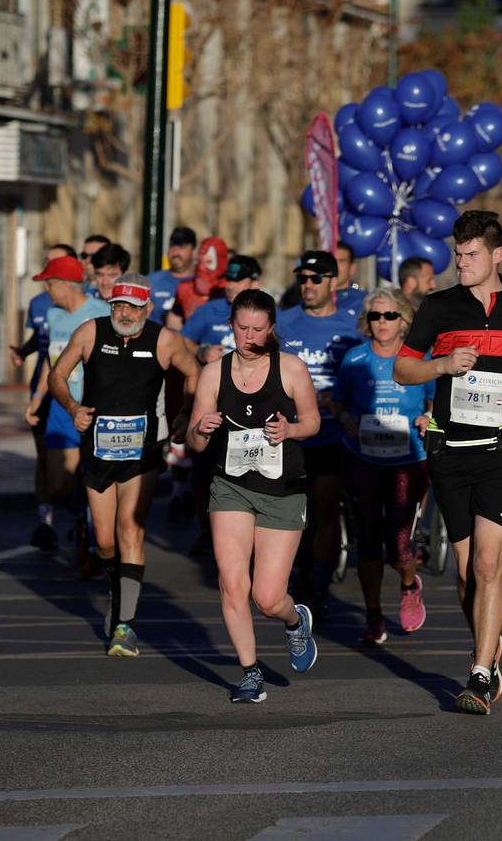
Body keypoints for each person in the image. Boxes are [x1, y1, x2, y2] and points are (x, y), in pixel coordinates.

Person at [395, 209, 502, 715]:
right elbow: (403, 367)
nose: (460, 263)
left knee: (489, 563)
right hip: (450, 452)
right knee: (467, 574)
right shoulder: (438, 306)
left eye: (469, 255)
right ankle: (489, 643)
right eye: (457, 254)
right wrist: (441, 364)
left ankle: (480, 672)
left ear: (496, 255)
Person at [48, 274, 201, 656]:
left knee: (130, 528)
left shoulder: (164, 340)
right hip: (98, 449)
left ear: (147, 308)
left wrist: (183, 414)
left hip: (144, 450)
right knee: (104, 541)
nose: (124, 313)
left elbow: (195, 372)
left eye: (133, 307)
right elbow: (57, 375)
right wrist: (73, 408)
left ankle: (124, 625)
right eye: (118, 305)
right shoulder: (90, 332)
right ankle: (117, 588)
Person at [187, 290, 321, 703]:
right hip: (230, 485)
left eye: (257, 329)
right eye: (241, 327)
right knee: (232, 584)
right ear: (231, 325)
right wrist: (202, 429)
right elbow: (191, 440)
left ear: (271, 329)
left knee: (267, 597)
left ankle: (295, 621)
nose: (248, 336)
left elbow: (314, 421)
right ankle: (250, 673)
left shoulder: (292, 369)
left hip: (282, 490)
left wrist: (291, 430)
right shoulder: (213, 372)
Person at [334, 290, 434, 643]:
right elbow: (338, 401)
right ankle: (373, 613)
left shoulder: (419, 358)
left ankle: (409, 585)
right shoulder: (356, 359)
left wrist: (428, 415)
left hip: (408, 458)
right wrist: (345, 416)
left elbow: (435, 397)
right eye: (375, 316)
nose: (382, 323)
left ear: (403, 320)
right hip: (362, 456)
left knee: (400, 540)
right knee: (368, 538)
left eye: (390, 316)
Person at [276, 250, 365, 617]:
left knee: (325, 507)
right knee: (295, 514)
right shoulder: (282, 323)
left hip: (331, 436)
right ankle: (297, 573)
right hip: (288, 435)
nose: (308, 286)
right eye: (303, 279)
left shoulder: (351, 327)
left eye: (316, 279)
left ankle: (318, 585)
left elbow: (364, 378)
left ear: (333, 281)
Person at [28, 255, 111, 576]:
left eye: (49, 283)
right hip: (62, 409)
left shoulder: (101, 313)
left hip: (95, 409)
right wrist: (37, 400)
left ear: (65, 284)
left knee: (89, 478)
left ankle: (94, 536)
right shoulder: (52, 313)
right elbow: (52, 363)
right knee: (59, 485)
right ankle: (83, 515)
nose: (46, 290)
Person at [179, 255, 263, 553]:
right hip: (214, 405)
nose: (230, 286)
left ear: (255, 282)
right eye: (227, 279)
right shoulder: (208, 311)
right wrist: (201, 349)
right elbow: (182, 341)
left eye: (237, 280)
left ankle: (254, 534)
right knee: (205, 471)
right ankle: (206, 531)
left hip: (255, 408)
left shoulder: (265, 312)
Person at [13, 243, 75, 550]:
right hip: (45, 389)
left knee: (72, 469)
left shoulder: (86, 304)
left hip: (76, 397)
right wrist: (22, 354)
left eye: (56, 265)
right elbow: (41, 344)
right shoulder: (41, 304)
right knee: (45, 461)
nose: (49, 270)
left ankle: (84, 519)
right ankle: (45, 521)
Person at [172, 236, 229, 328]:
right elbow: (173, 325)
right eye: (199, 261)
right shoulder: (184, 288)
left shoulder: (232, 290)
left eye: (208, 262)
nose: (201, 267)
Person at [148, 227, 197, 325]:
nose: (175, 252)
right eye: (172, 246)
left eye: (182, 247)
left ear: (193, 251)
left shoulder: (201, 284)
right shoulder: (151, 281)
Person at [333, 240, 367, 317]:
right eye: (332, 261)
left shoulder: (364, 302)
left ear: (352, 268)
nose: (335, 267)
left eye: (341, 261)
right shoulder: (313, 299)